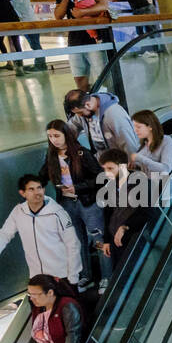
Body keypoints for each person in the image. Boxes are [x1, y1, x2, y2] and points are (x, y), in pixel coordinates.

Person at [0, 175, 82, 288]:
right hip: (36, 278)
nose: (37, 192)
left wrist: (73, 277)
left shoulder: (57, 213)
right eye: (31, 189)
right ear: (23, 193)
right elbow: (3, 236)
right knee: (36, 304)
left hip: (61, 277)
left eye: (39, 188)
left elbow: (73, 244)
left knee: (65, 306)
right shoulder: (19, 211)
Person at [40, 119, 104, 290]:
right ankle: (86, 276)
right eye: (50, 136)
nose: (53, 139)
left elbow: (100, 177)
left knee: (98, 239)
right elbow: (43, 176)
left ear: (66, 135)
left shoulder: (82, 153)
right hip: (67, 203)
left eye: (57, 135)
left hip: (87, 202)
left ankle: (107, 277)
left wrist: (77, 188)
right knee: (76, 241)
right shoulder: (51, 156)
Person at [99, 149, 159, 286]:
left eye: (110, 168)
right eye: (104, 169)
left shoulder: (142, 183)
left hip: (135, 241)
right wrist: (106, 240)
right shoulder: (110, 185)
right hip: (116, 241)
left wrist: (126, 226)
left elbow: (149, 212)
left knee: (138, 281)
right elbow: (108, 213)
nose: (106, 173)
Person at [53, 0, 110, 91]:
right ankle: (86, 104)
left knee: (103, 77)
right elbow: (58, 15)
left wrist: (83, 12)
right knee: (79, 78)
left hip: (94, 40)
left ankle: (105, 102)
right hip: (74, 40)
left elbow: (104, 5)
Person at [64, 88, 140, 156]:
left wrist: (131, 168)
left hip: (119, 162)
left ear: (88, 105)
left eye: (80, 113)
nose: (79, 116)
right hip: (103, 160)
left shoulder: (115, 115)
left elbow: (129, 144)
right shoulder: (85, 109)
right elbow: (72, 125)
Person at [0, 0, 46, 72]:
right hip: (25, 22)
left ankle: (41, 65)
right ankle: (40, 64)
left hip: (29, 22)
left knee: (35, 44)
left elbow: (15, 4)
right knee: (34, 44)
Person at [129, 109, 172, 176]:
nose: (135, 130)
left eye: (138, 127)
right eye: (134, 127)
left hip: (162, 185)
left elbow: (166, 169)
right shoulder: (143, 144)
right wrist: (135, 165)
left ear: (150, 126)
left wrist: (139, 158)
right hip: (146, 184)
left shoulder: (167, 141)